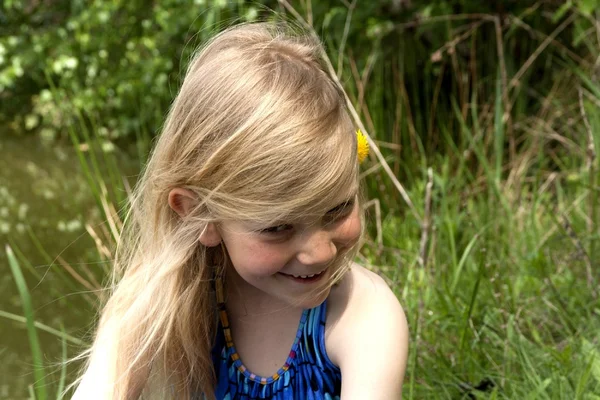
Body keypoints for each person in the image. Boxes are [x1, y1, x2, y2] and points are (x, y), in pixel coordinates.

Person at [72, 21, 409, 400]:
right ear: (200, 214)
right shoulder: (157, 296)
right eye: (278, 227)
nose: (321, 252)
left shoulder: (361, 314)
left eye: (338, 208)